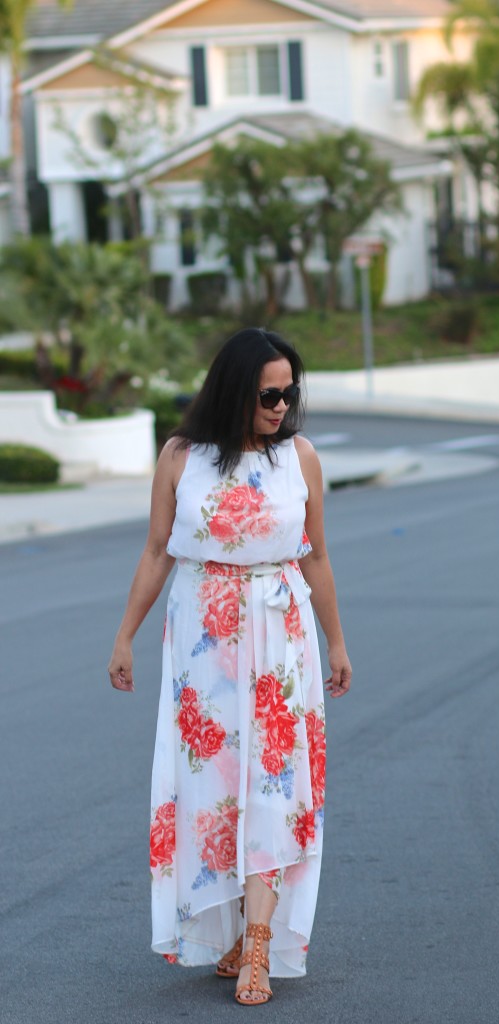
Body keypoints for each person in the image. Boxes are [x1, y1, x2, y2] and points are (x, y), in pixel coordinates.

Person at [108, 327, 351, 1006]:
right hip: (201, 645)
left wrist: (336, 643)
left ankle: (262, 945)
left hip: (280, 636)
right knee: (213, 786)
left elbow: (317, 557)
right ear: (235, 392)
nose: (282, 405)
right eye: (268, 394)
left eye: (289, 392)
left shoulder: (298, 458)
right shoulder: (181, 457)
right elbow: (157, 549)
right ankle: (234, 928)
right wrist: (124, 635)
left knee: (271, 784)